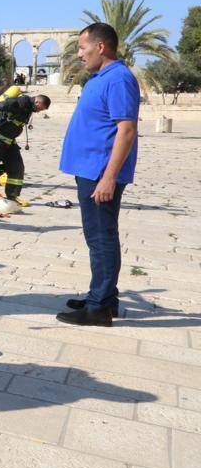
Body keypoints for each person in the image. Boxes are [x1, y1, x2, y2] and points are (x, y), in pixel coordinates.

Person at [56, 22, 140, 327]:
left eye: (82, 47)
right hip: (89, 170)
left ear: (100, 46)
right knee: (99, 237)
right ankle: (104, 297)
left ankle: (99, 306)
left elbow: (127, 131)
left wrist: (109, 177)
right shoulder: (99, 78)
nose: (79, 53)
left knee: (101, 237)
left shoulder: (118, 78)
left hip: (99, 173)